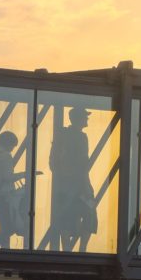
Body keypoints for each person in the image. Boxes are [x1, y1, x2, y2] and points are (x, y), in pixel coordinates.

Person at [49, 106, 97, 251]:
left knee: (67, 216)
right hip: (79, 184)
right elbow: (83, 163)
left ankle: (67, 248)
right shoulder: (81, 137)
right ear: (78, 119)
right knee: (90, 216)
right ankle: (82, 249)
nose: (87, 119)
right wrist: (86, 186)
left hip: (63, 184)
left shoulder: (62, 135)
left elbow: (53, 162)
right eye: (85, 117)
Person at [0, 131, 29, 249]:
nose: (12, 149)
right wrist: (25, 174)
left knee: (4, 226)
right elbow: (8, 177)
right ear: (9, 143)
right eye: (12, 145)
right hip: (4, 197)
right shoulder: (6, 156)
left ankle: (4, 249)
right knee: (9, 228)